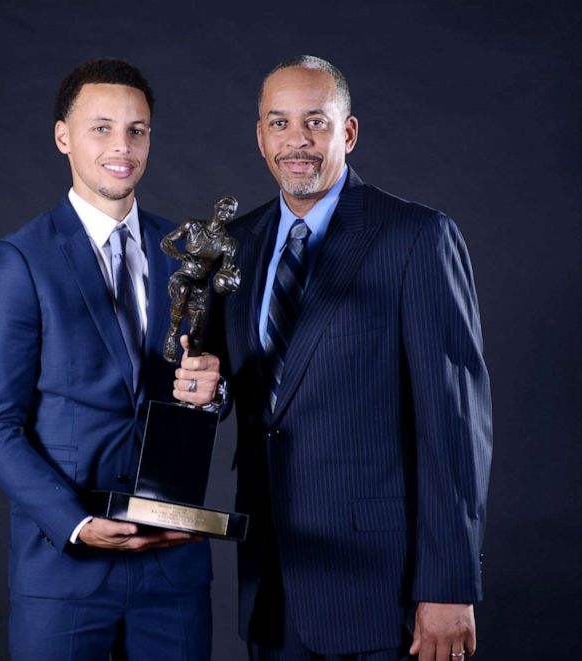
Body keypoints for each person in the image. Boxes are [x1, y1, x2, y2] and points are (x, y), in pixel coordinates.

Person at [199, 55, 493, 660]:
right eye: (278, 123)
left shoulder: (415, 238)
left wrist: (448, 586)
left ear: (348, 133)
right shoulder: (236, 246)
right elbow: (250, 391)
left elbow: (455, 426)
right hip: (271, 585)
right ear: (260, 138)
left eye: (315, 121)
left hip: (382, 590)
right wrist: (211, 392)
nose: (296, 140)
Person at [0, 58, 221, 661]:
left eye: (137, 130)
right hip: (65, 568)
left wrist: (214, 392)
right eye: (101, 128)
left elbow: (204, 386)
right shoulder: (20, 262)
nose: (121, 146)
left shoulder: (186, 252)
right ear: (63, 137)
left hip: (172, 569)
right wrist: (76, 523)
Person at [161, 195, 241, 363]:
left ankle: (191, 374)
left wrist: (231, 280)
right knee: (183, 289)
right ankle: (172, 334)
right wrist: (181, 256)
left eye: (230, 212)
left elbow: (225, 270)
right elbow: (166, 243)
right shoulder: (193, 225)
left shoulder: (228, 242)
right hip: (183, 276)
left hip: (201, 286)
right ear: (216, 207)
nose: (225, 213)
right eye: (223, 208)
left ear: (232, 215)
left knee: (196, 337)